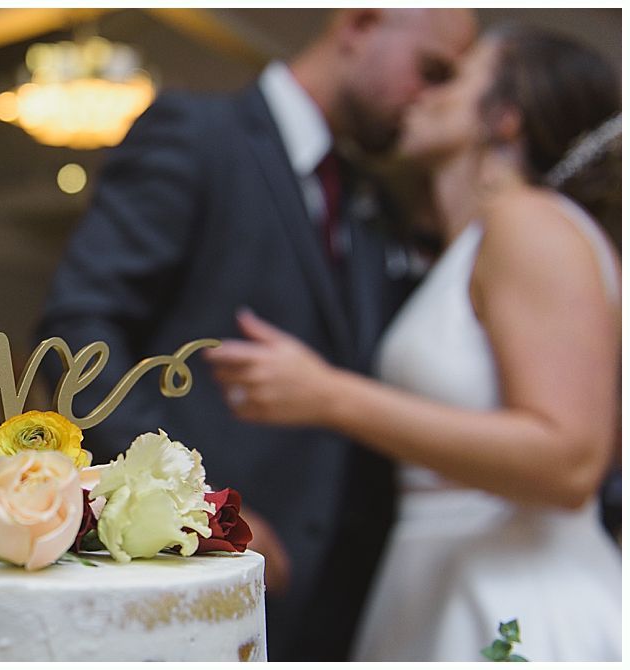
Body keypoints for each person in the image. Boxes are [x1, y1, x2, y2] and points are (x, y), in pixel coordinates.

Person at [36, 8, 477, 661]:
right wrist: (201, 508)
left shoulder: (370, 197)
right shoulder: (196, 134)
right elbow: (78, 332)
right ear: (359, 24)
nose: (433, 97)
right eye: (431, 70)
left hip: (350, 602)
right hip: (213, 580)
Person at [205, 25, 621, 661]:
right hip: (432, 582)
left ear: (505, 119)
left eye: (452, 78)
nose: (423, 94)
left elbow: (569, 462)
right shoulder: (467, 246)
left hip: (518, 598)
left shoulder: (527, 222)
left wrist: (329, 395)